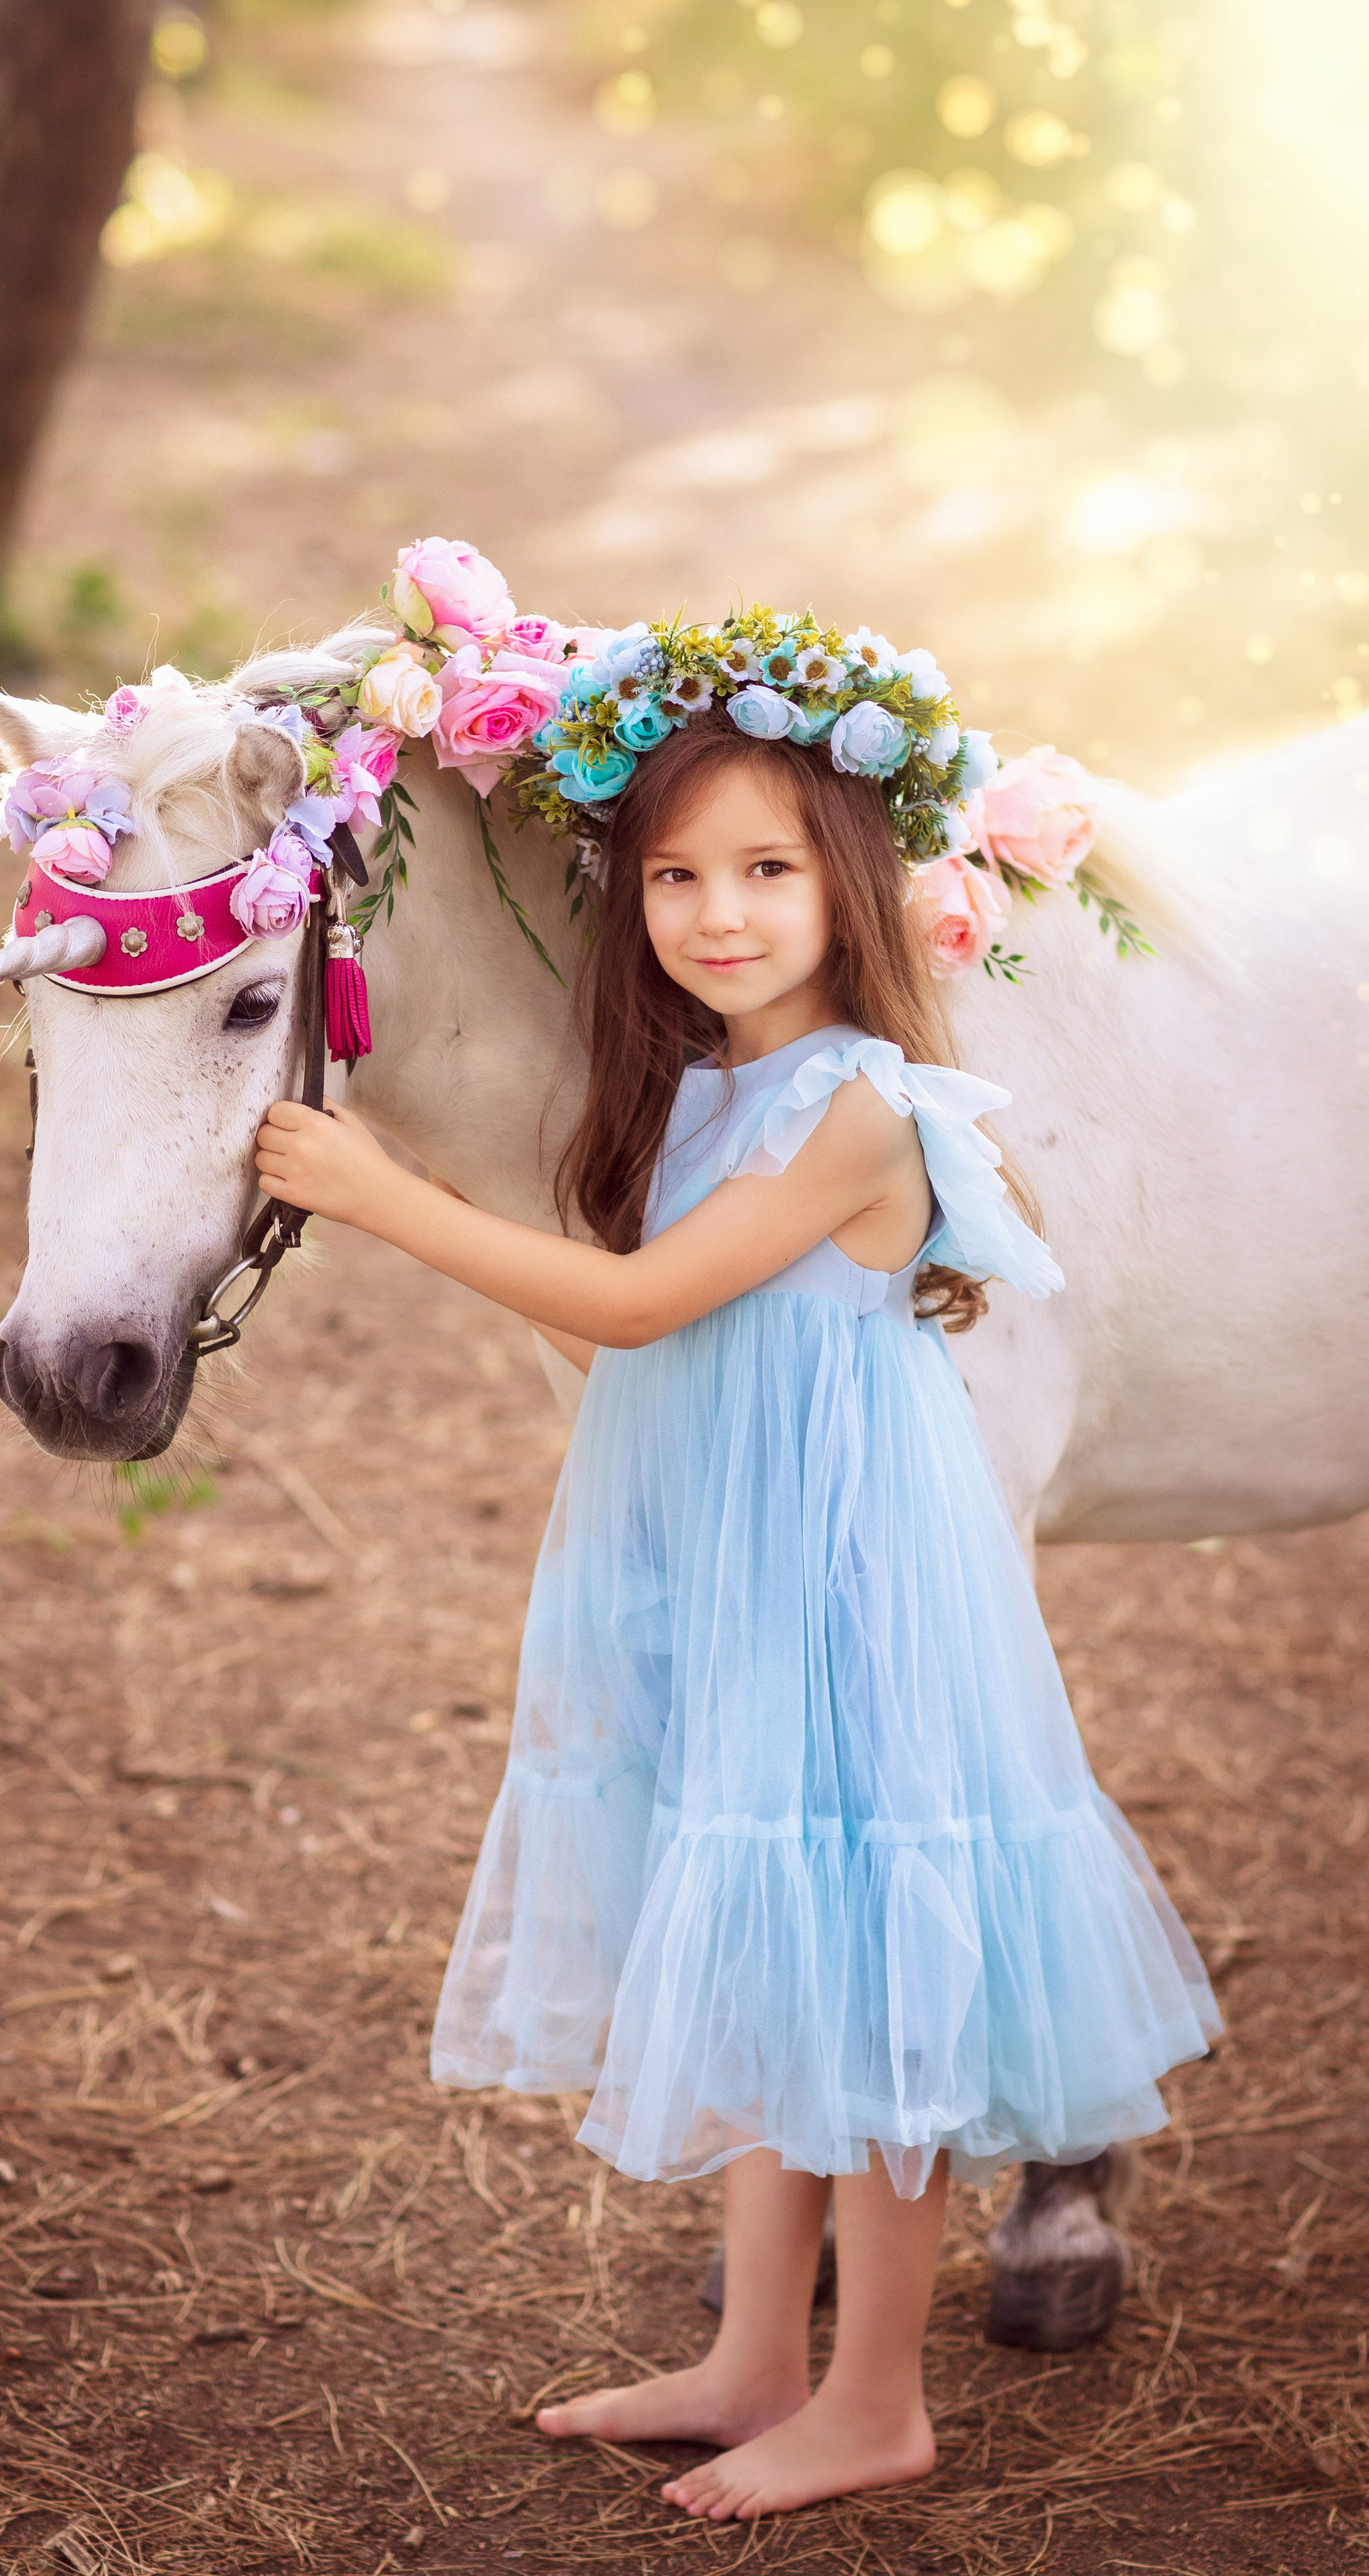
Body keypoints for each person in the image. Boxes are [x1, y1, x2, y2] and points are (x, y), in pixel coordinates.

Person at [252, 702, 1218, 2522]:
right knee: (781, 1952)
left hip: (861, 1587)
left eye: (767, 870)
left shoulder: (865, 1103)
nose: (718, 912)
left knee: (873, 1970)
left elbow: (637, 1307)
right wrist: (470, 1232)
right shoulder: (701, 1095)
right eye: (677, 877)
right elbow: (632, 1340)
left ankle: (874, 2397)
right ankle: (757, 2357)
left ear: (849, 890)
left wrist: (395, 1201)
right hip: (753, 1580)